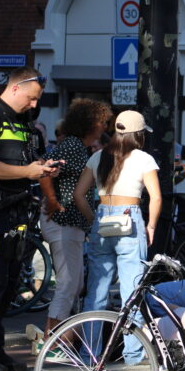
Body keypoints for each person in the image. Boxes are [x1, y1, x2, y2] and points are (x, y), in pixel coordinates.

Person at [0, 67, 59, 371]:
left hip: (18, 212)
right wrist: (28, 172)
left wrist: (43, 168)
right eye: (32, 99)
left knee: (9, 285)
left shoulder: (22, 121)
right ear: (17, 88)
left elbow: (23, 161)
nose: (34, 105)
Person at [73, 110, 161, 365]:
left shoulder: (99, 156)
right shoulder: (144, 159)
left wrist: (95, 221)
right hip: (130, 219)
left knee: (96, 292)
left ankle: (89, 354)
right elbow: (155, 197)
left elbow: (79, 195)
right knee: (131, 291)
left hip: (103, 219)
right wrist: (152, 225)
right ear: (139, 135)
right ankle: (133, 356)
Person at [32, 98, 112, 353]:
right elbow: (46, 169)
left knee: (74, 284)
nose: (104, 127)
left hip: (71, 223)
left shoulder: (79, 147)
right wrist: (53, 200)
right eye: (102, 122)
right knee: (68, 283)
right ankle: (50, 340)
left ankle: (59, 338)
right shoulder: (72, 146)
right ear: (93, 123)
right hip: (63, 221)